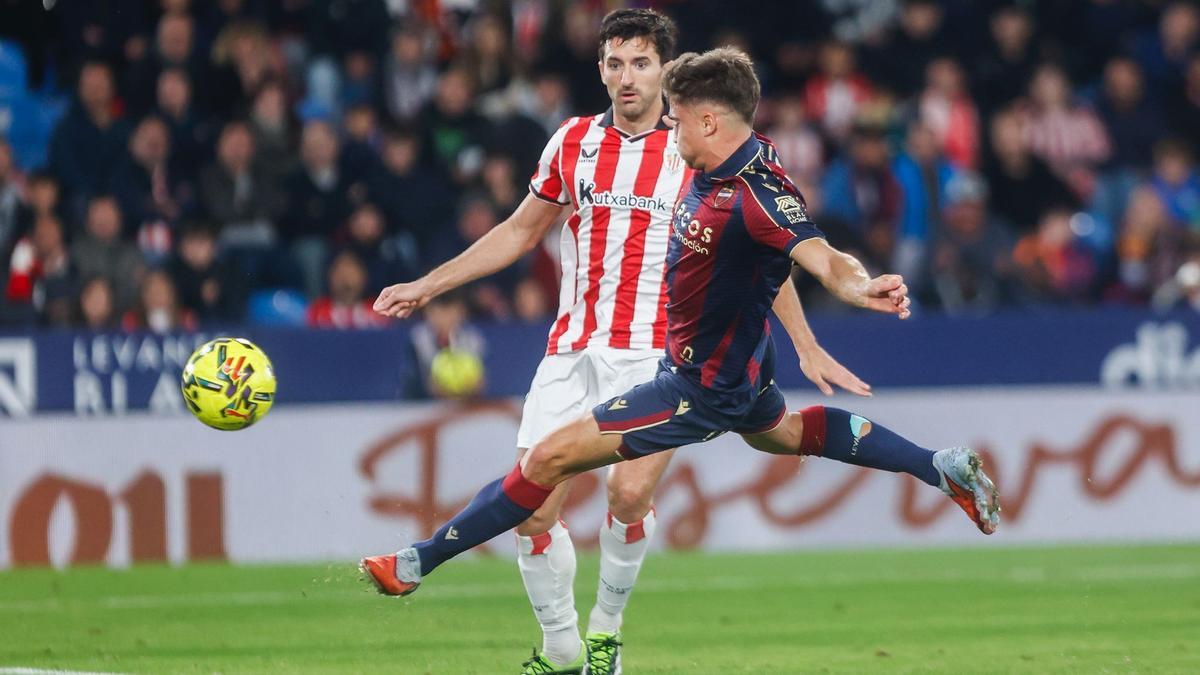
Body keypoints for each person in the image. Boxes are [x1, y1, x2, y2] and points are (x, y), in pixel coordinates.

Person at [362, 45, 1001, 671]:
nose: (670, 126)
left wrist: (860, 287)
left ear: (708, 121)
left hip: (697, 383)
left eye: (678, 115)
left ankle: (419, 561)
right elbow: (773, 259)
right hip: (740, 361)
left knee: (549, 461)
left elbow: (822, 256)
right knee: (782, 434)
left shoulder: (757, 193)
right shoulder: (722, 161)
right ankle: (937, 466)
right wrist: (804, 345)